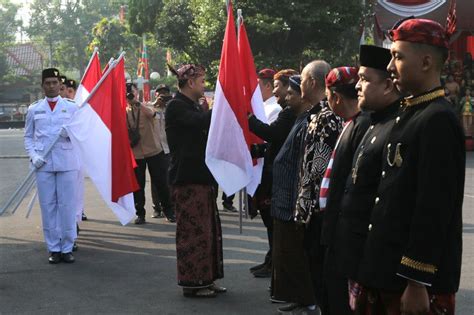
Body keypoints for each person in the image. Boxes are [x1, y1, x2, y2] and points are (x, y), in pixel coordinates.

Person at [357, 18, 465, 315]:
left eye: (398, 56)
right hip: (388, 274)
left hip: (412, 284)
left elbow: (433, 208)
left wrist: (417, 282)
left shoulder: (437, 119)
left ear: (427, 61)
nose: (390, 67)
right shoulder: (413, 113)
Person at [324, 45, 400, 314]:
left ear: (389, 85)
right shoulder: (372, 122)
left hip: (364, 252)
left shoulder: (389, 125)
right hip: (346, 244)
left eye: (365, 79)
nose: (358, 85)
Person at [166, 64, 224, 298]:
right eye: (201, 81)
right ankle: (193, 282)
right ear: (190, 83)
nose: (204, 85)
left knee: (208, 231)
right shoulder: (176, 106)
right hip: (187, 178)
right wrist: (223, 103)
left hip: (201, 176)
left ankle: (206, 278)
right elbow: (200, 123)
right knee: (193, 232)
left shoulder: (192, 105)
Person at [247, 69, 299, 279]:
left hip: (280, 177)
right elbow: (275, 142)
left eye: (279, 86)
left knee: (276, 225)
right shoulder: (285, 110)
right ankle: (272, 261)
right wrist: (258, 150)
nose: (277, 91)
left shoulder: (287, 112)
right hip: (272, 173)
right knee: (271, 224)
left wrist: (248, 118)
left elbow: (273, 134)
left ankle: (276, 265)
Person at [24, 68, 79, 264]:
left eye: (55, 83)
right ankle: (54, 248)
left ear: (60, 85)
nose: (51, 86)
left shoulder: (72, 107)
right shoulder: (34, 109)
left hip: (67, 162)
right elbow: (28, 137)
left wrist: (70, 134)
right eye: (47, 83)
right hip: (43, 164)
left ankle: (67, 247)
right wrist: (33, 156)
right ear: (42, 86)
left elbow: (82, 135)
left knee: (67, 207)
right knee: (48, 207)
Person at [126, 83, 174, 224]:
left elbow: (152, 114)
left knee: (161, 183)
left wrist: (137, 103)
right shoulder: (125, 110)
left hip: (154, 150)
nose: (129, 95)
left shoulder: (147, 105)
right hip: (137, 154)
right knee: (138, 186)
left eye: (132, 92)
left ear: (137, 93)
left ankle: (168, 211)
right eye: (127, 93)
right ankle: (140, 213)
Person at [149, 84, 174, 220]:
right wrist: (155, 104)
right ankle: (156, 207)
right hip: (155, 148)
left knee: (170, 178)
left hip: (169, 148)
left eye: (166, 93)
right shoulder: (150, 107)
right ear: (156, 94)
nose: (163, 96)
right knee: (156, 180)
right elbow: (143, 112)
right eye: (161, 93)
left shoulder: (172, 107)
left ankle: (170, 207)